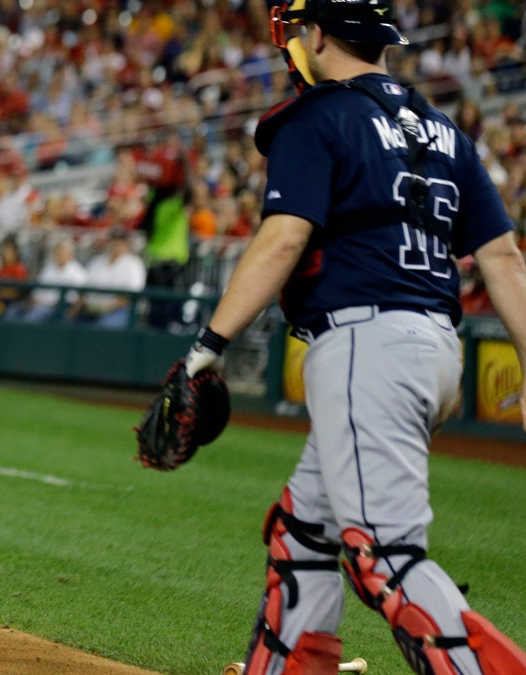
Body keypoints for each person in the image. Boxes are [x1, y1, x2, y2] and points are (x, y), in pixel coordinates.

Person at [174, 1, 526, 672]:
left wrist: (208, 345)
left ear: (315, 35)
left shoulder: (320, 116)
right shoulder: (445, 131)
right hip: (434, 350)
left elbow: (283, 238)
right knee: (305, 529)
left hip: (368, 344)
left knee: (386, 557)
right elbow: (503, 259)